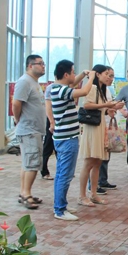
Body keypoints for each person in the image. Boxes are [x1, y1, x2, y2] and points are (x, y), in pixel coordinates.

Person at [50, 61, 95, 221]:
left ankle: (60, 204)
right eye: (73, 72)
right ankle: (60, 210)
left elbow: (74, 83)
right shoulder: (62, 90)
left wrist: (83, 74)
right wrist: (91, 77)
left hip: (63, 138)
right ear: (66, 74)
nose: (75, 75)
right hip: (67, 139)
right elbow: (84, 91)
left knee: (61, 174)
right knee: (65, 175)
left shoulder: (56, 88)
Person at [78, 65, 124, 207]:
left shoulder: (102, 89)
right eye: (107, 74)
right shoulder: (92, 87)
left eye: (111, 75)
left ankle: (93, 193)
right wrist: (106, 105)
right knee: (89, 163)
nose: (109, 78)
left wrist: (111, 108)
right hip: (92, 129)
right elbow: (87, 105)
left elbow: (100, 108)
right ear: (97, 74)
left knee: (97, 162)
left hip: (99, 127)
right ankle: (82, 196)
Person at [12, 54, 47, 209]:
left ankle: (24, 192)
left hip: (34, 129)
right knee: (32, 163)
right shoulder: (24, 81)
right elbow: (16, 103)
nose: (43, 66)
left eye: (44, 64)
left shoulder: (34, 82)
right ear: (30, 65)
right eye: (40, 63)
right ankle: (26, 194)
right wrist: (18, 119)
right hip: (29, 129)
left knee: (28, 163)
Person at [41, 83, 56, 180]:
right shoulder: (51, 88)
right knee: (48, 145)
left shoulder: (67, 87)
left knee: (60, 148)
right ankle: (44, 170)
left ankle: (63, 170)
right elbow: (48, 107)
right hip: (52, 120)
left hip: (61, 120)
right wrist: (51, 122)